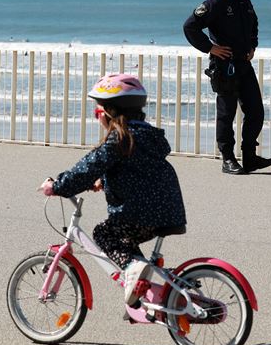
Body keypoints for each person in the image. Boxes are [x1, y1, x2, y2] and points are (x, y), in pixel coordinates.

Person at [39, 74, 186, 307]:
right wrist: (104, 181)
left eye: (97, 113)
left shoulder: (119, 139)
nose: (98, 118)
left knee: (104, 234)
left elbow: (87, 168)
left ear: (108, 112)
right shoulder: (147, 137)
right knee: (127, 244)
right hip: (169, 211)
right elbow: (138, 173)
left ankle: (134, 272)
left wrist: (57, 186)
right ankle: (141, 290)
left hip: (139, 214)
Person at [183, 0, 271, 175]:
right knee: (227, 114)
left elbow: (254, 25)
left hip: (244, 64)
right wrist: (210, 48)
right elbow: (190, 27)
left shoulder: (245, 1)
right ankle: (227, 158)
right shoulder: (215, 3)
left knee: (256, 111)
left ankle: (250, 157)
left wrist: (253, 45)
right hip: (225, 66)